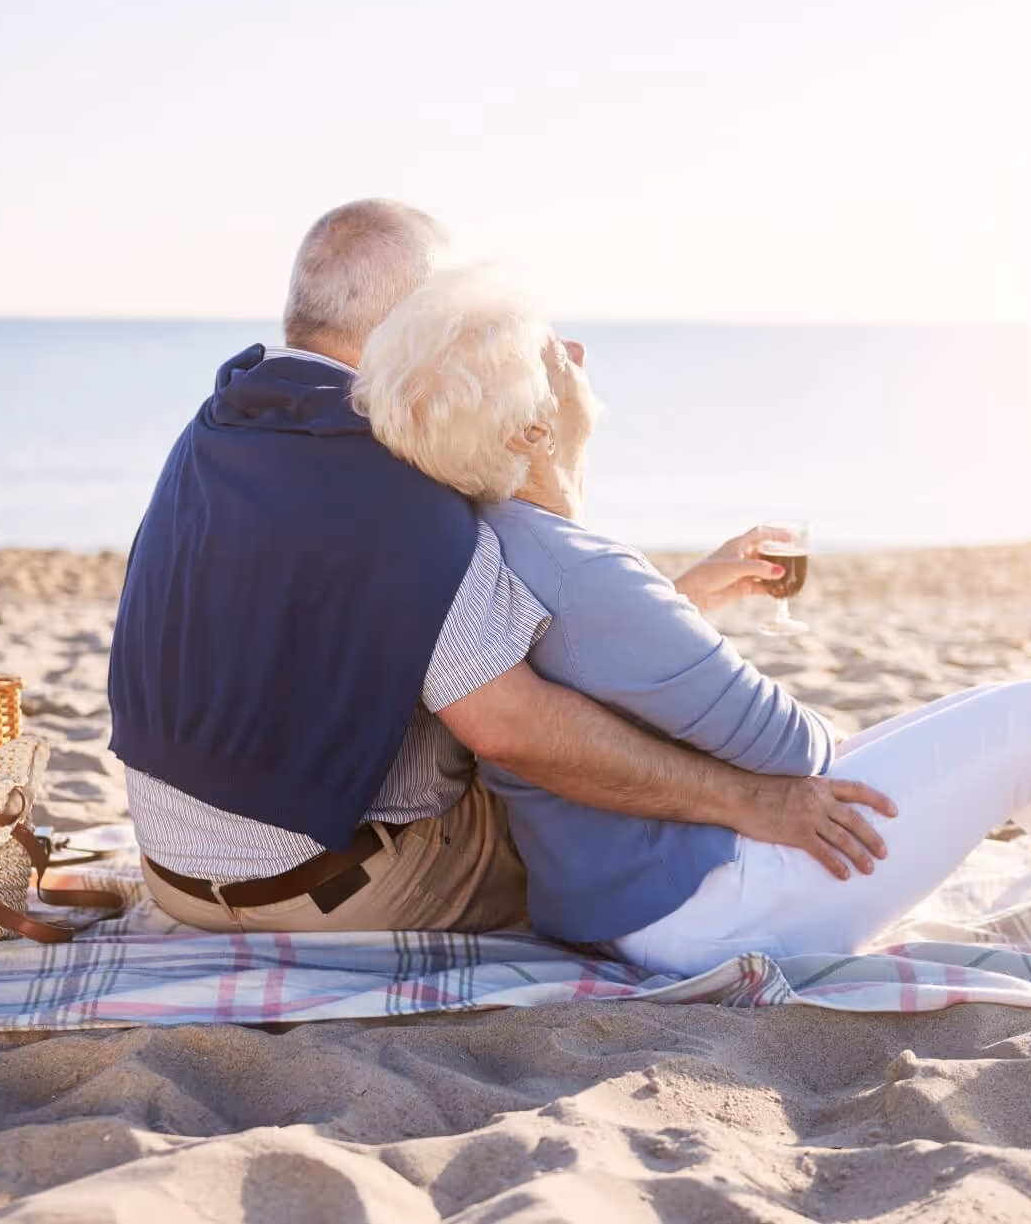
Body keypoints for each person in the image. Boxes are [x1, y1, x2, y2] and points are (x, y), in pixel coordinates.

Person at [352, 265, 1031, 974]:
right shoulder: (593, 575)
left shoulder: (496, 540)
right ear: (539, 426)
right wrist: (695, 643)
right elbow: (798, 754)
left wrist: (686, 607)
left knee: (996, 734)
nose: (581, 358)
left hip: (622, 901)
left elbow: (595, 664)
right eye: (558, 352)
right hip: (708, 909)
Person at [107, 201, 900, 935]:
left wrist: (679, 596)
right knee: (590, 807)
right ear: (416, 320)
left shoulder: (221, 425)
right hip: (326, 893)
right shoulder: (390, 474)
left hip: (176, 877)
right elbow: (515, 729)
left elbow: (324, 625)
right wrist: (752, 800)